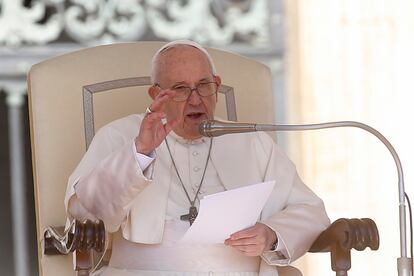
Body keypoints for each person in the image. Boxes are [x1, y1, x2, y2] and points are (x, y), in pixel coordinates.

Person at [64, 40, 330, 276]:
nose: (195, 100)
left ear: (216, 85)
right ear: (156, 95)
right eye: (180, 88)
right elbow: (85, 210)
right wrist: (140, 152)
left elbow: (311, 211)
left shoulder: (252, 140)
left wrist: (272, 235)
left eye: (203, 86)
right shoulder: (121, 135)